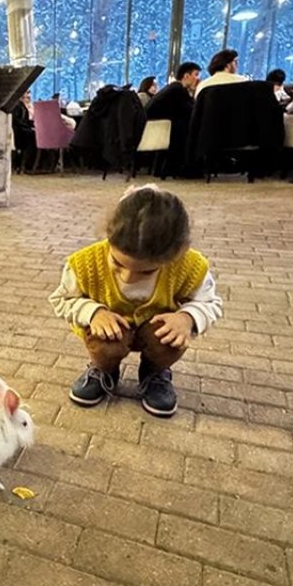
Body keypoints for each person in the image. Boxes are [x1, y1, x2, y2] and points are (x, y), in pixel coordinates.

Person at [49, 184, 222, 417]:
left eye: (145, 272)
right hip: (111, 332)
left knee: (171, 338)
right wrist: (93, 312)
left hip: (155, 329)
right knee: (104, 341)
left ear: (176, 254)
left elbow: (210, 303)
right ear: (108, 237)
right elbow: (62, 299)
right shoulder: (84, 263)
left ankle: (155, 373)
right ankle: (104, 370)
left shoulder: (191, 266)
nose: (128, 276)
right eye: (118, 264)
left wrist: (188, 318)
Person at [143, 62, 201, 176]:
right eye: (196, 74)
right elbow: (191, 111)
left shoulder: (173, 88)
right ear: (186, 76)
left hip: (152, 129)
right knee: (188, 128)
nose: (198, 79)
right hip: (157, 130)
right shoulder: (178, 90)